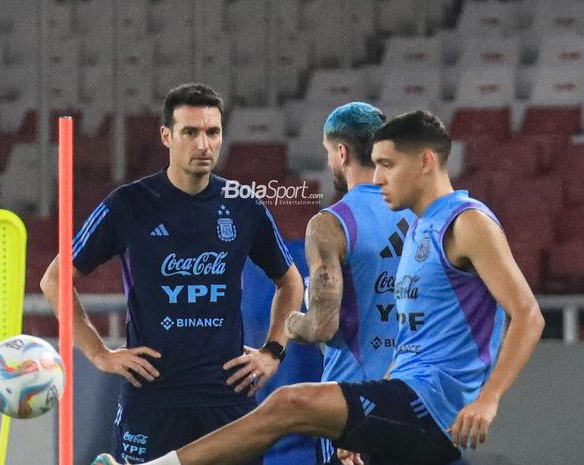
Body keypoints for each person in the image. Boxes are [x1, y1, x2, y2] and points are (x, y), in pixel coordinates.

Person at [91, 110, 544, 465]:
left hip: (436, 408)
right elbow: (416, 345)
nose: (379, 176)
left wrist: (489, 398)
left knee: (289, 402)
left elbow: (528, 314)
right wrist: (355, 426)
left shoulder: (468, 222)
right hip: (406, 397)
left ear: (426, 162)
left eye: (388, 165)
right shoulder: (419, 229)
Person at [41, 83, 303, 464]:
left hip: (227, 399)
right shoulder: (129, 204)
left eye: (212, 132)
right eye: (190, 132)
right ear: (167, 136)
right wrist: (99, 354)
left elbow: (291, 282)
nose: (203, 144)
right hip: (153, 400)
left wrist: (274, 351)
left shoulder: (244, 205)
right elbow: (55, 279)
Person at [281, 102, 415, 465]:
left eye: (328, 153)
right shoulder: (423, 214)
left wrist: (293, 323)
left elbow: (323, 326)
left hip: (353, 407)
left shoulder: (331, 224)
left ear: (342, 152)